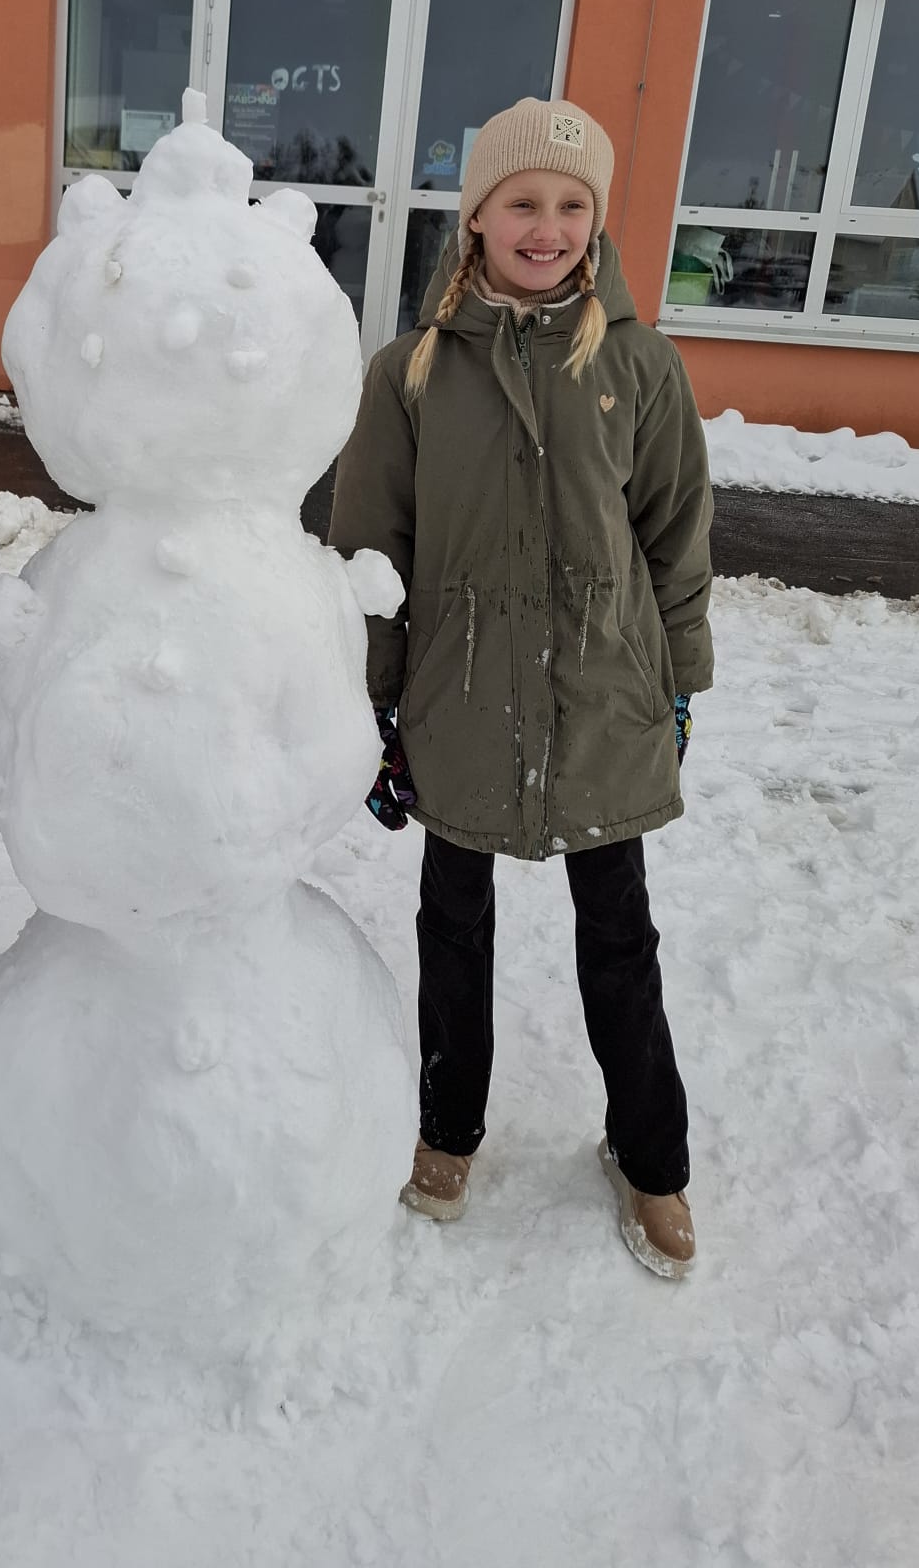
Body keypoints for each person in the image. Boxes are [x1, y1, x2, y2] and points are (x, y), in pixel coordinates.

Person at [328, 96, 713, 1280]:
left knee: (620, 935)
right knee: (453, 925)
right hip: (457, 697)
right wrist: (374, 706)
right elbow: (371, 549)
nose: (548, 227)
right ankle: (448, 1132)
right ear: (479, 219)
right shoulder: (410, 373)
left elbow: (676, 538)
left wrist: (681, 681)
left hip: (604, 695)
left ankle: (651, 1157)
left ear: (596, 222)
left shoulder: (638, 365)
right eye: (524, 203)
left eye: (571, 205)